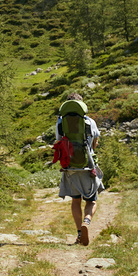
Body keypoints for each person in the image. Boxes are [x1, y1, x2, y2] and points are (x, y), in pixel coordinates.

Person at [53, 92, 102, 246]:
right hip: (88, 166)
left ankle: (79, 234)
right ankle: (86, 222)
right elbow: (95, 142)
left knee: (75, 200)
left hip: (70, 167)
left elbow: (58, 142)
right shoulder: (89, 121)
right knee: (92, 201)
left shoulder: (60, 123)